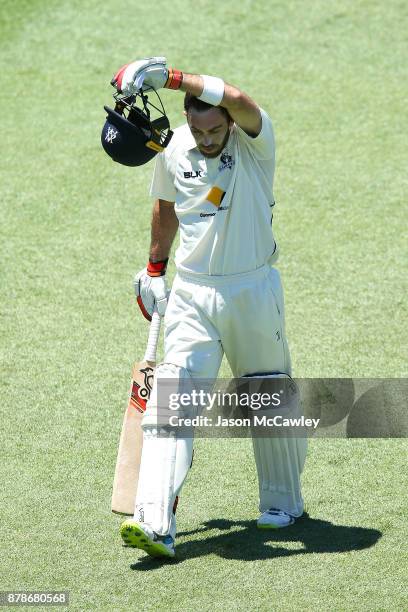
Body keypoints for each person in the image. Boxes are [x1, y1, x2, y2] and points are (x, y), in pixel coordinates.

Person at [115, 58, 307, 559]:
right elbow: (164, 206)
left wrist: (171, 76)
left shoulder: (254, 143)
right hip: (192, 294)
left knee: (265, 393)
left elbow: (242, 101)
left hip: (253, 289)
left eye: (213, 128)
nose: (205, 138)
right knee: (172, 399)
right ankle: (154, 517)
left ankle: (283, 504)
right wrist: (155, 270)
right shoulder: (175, 146)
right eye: (197, 128)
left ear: (227, 120)